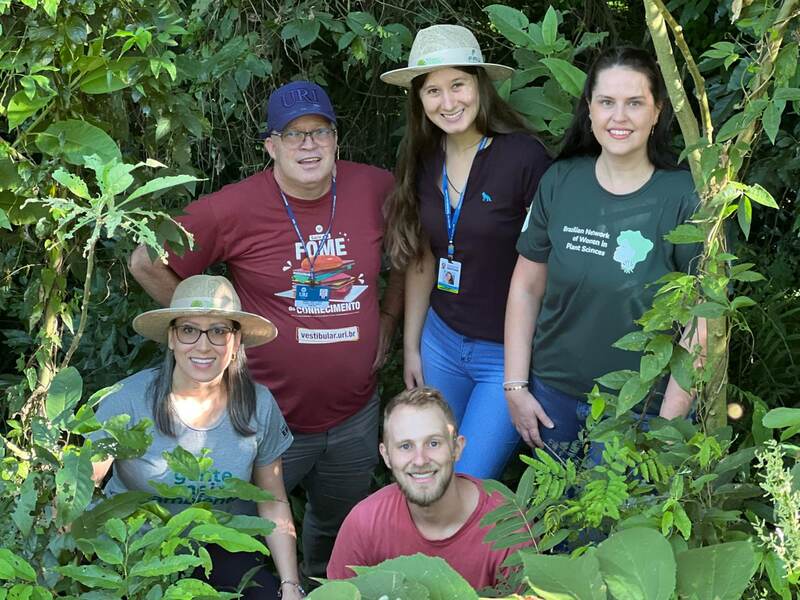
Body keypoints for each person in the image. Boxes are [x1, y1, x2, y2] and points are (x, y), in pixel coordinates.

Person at [128, 80, 404, 580]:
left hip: (354, 415)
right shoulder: (231, 208)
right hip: (263, 419)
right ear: (270, 146)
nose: (308, 145)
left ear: (336, 138)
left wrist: (389, 316)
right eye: (292, 135)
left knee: (337, 530)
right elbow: (146, 259)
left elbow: (414, 251)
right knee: (244, 539)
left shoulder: (376, 187)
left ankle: (319, 585)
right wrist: (208, 332)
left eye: (319, 131)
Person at [504, 47, 705, 457]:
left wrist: (667, 428)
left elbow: (703, 323)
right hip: (551, 396)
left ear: (657, 111)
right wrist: (515, 386)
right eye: (606, 102)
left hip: (641, 408)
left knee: (616, 522)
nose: (619, 117)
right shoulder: (560, 181)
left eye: (635, 103)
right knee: (554, 516)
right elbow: (526, 287)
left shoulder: (686, 198)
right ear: (589, 110)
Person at [381, 25, 551, 479]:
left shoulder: (524, 158)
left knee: (468, 476)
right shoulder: (423, 156)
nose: (448, 101)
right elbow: (423, 257)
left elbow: (548, 267)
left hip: (504, 352)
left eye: (458, 84)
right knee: (431, 473)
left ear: (480, 85)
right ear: (419, 100)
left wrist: (518, 373)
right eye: (433, 90)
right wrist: (412, 346)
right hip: (440, 341)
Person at [91, 275, 302, 599]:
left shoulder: (258, 404)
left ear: (235, 341)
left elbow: (273, 502)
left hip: (224, 545)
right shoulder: (127, 402)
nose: (203, 345)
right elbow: (82, 487)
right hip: (137, 548)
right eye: (189, 330)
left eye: (218, 331)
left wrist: (290, 586)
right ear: (172, 338)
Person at [326, 387, 527, 590]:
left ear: (457, 448)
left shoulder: (509, 530)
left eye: (433, 443)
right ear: (386, 455)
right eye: (406, 446)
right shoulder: (364, 523)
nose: (420, 460)